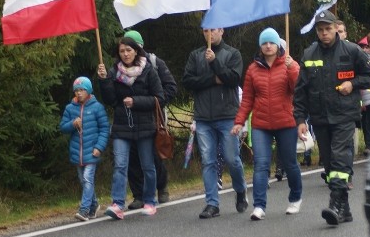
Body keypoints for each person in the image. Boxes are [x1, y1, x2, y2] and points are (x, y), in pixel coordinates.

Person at [294, 10, 370, 225]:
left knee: (340, 156)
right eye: (320, 30)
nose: (324, 33)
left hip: (344, 115)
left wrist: (353, 84)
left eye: (328, 29)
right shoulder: (309, 54)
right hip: (320, 117)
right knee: (330, 164)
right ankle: (345, 209)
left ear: (335, 29)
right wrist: (300, 119)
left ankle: (335, 203)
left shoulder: (351, 51)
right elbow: (301, 90)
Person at [231, 28, 302, 220]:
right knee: (261, 164)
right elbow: (247, 99)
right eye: (264, 43)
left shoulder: (288, 64)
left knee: (289, 162)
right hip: (261, 124)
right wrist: (240, 121)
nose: (268, 46)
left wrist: (293, 68)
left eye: (271, 42)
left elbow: (299, 89)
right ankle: (259, 206)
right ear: (260, 46)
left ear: (278, 45)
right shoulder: (253, 69)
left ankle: (295, 198)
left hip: (286, 122)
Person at [182, 27, 248, 219]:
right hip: (203, 117)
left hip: (227, 115)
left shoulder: (232, 54)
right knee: (208, 161)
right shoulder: (195, 55)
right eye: (205, 30)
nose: (209, 34)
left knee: (231, 158)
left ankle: (240, 189)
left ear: (222, 31)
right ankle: (212, 203)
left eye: (213, 30)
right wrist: (213, 79)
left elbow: (232, 79)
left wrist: (215, 63)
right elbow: (188, 81)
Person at [97, 37, 165, 219]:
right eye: (122, 51)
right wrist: (104, 81)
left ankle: (150, 201)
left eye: (128, 50)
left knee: (147, 166)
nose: (125, 54)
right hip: (122, 125)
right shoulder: (113, 72)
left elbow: (159, 98)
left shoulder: (148, 71)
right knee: (120, 165)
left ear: (136, 51)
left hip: (145, 126)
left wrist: (136, 102)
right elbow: (110, 100)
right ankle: (117, 204)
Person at [121, 30, 178, 208]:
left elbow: (170, 87)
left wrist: (156, 103)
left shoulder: (154, 63)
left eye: (134, 46)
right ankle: (138, 195)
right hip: (130, 118)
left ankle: (161, 187)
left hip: (153, 117)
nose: (128, 52)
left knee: (153, 155)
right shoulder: (120, 66)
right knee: (132, 157)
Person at [59, 77, 110, 222]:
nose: (79, 93)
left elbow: (104, 129)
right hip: (77, 152)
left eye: (82, 90)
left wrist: (99, 147)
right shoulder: (70, 108)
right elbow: (63, 127)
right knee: (83, 181)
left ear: (88, 91)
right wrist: (72, 124)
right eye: (76, 90)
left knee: (88, 179)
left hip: (92, 151)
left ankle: (84, 209)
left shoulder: (97, 107)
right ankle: (94, 205)